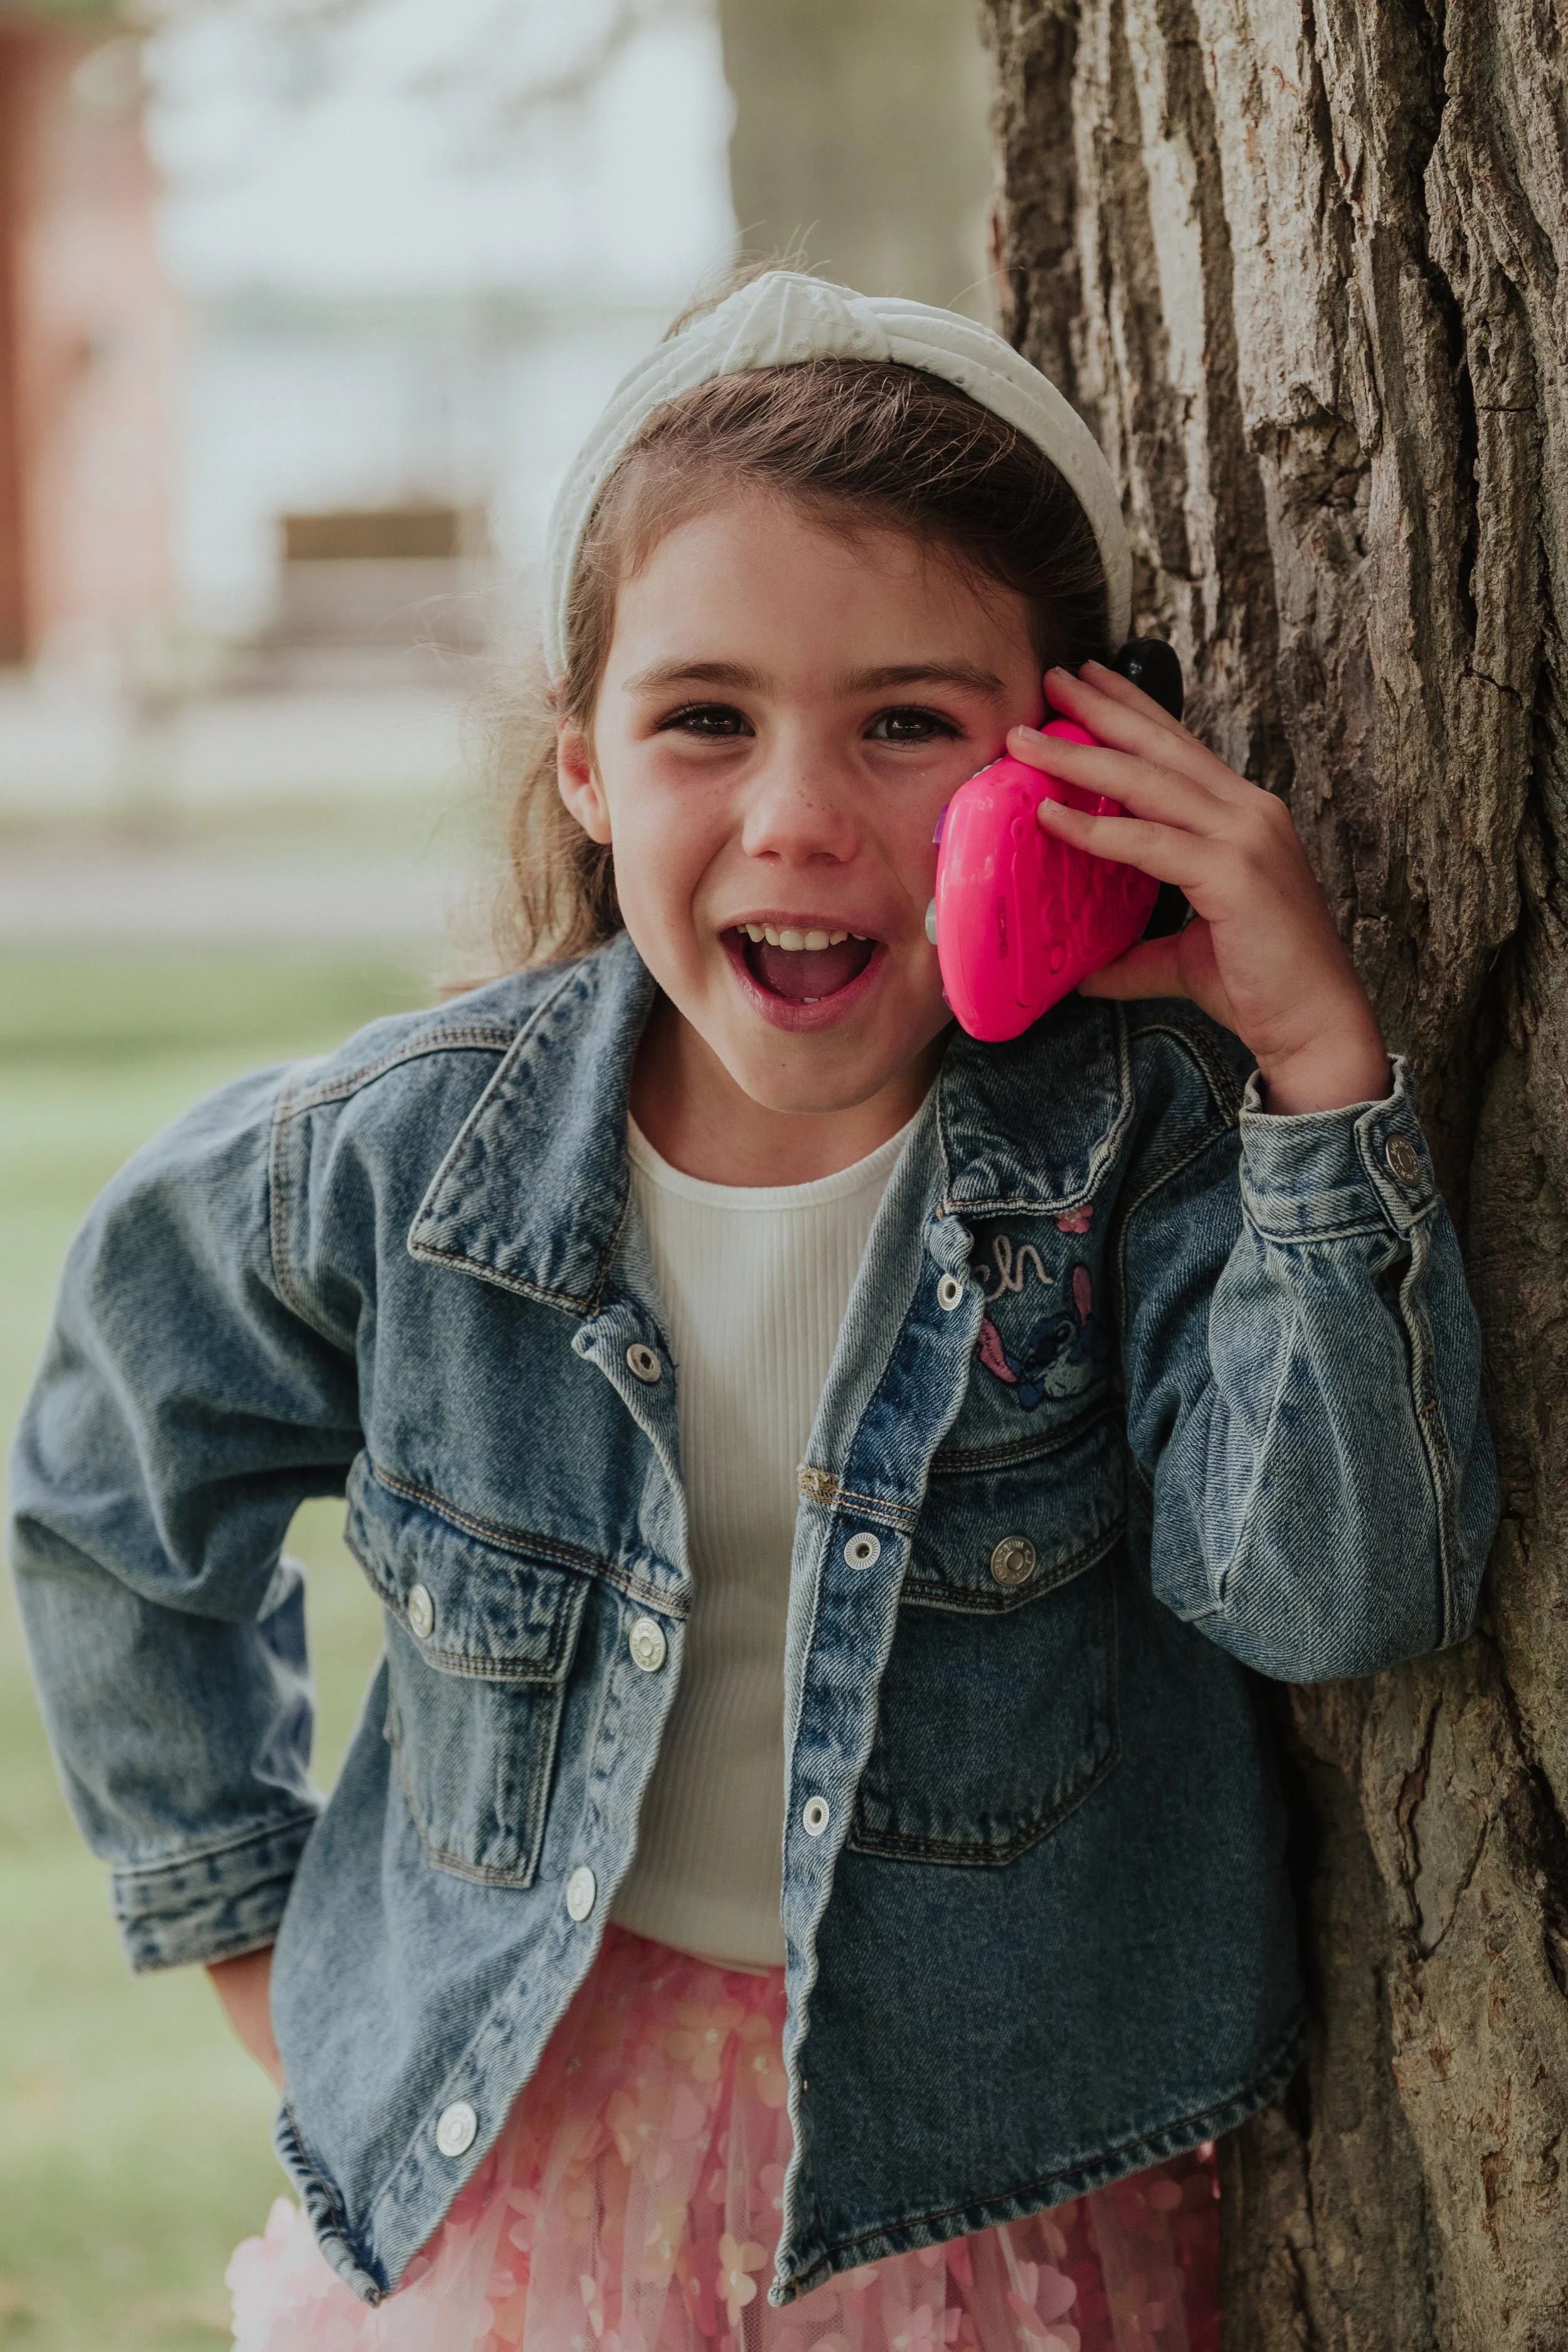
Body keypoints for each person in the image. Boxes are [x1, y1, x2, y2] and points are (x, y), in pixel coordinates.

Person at [8, 272, 1496, 2352]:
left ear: (1064, 763)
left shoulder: (1138, 1152)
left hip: (985, 2187)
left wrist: (1321, 1072)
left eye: (907, 721)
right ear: (590, 768)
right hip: (522, 2152)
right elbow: (108, 1480)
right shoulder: (400, 1163)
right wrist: (248, 1931)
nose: (797, 812)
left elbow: (1343, 1594)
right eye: (705, 716)